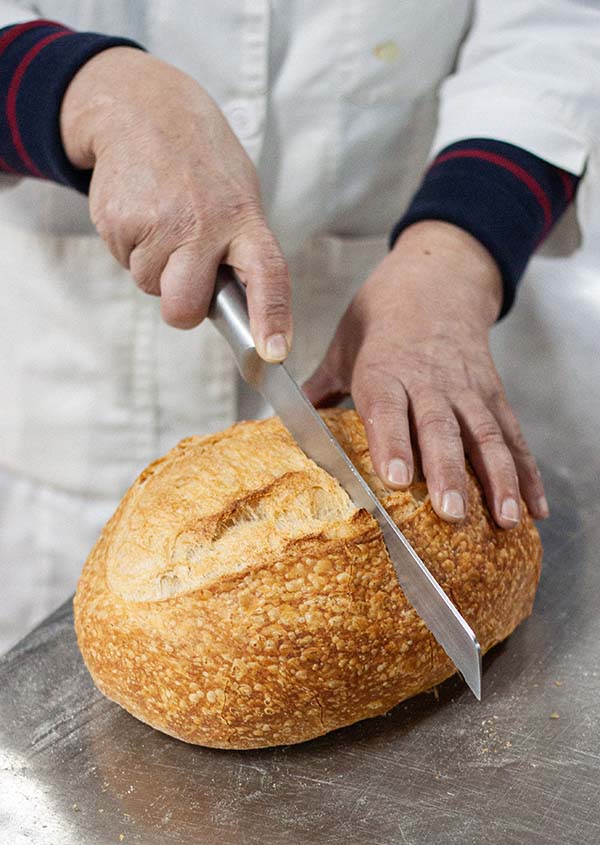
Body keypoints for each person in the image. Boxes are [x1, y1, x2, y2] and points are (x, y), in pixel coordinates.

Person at [0, 1, 597, 654]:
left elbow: (558, 22)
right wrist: (79, 90)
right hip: (65, 422)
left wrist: (461, 248)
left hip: (435, 342)